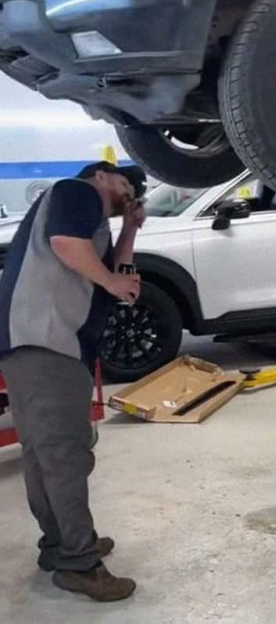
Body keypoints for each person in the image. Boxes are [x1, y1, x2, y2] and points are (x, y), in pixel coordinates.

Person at [0, 162, 145, 602]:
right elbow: (67, 246)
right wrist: (113, 283)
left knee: (45, 454)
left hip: (35, 342)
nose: (128, 193)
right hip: (48, 340)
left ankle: (59, 545)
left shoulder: (91, 224)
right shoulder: (77, 192)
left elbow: (117, 275)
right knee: (64, 456)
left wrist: (130, 231)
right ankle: (80, 563)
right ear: (100, 176)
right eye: (124, 184)